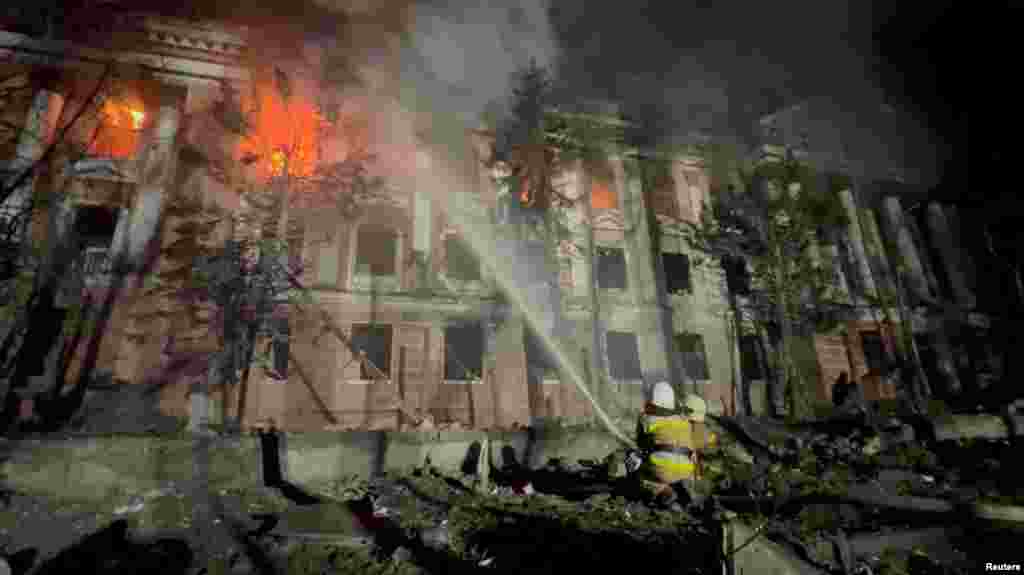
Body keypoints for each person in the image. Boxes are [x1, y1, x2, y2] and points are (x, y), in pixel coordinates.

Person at [635, 382, 716, 510]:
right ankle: (682, 488)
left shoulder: (646, 418)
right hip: (686, 470)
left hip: (662, 467)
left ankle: (663, 491)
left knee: (639, 467)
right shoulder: (684, 420)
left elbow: (640, 444)